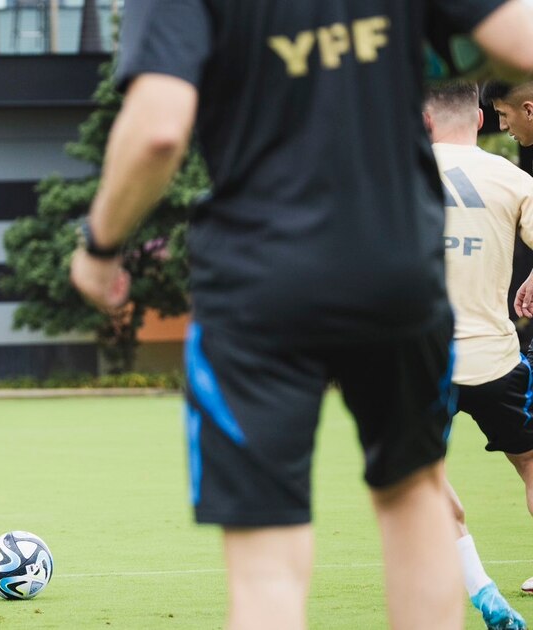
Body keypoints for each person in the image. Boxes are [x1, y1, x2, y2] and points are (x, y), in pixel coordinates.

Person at [69, 1, 533, 629]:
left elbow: (158, 129)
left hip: (257, 284)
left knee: (268, 556)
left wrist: (100, 247)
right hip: (396, 267)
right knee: (411, 497)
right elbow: (520, 42)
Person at [427, 80, 530, 630]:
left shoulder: (391, 176)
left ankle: (486, 597)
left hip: (420, 365)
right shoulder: (513, 177)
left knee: (425, 485)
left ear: (424, 120)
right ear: (480, 118)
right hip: (495, 358)